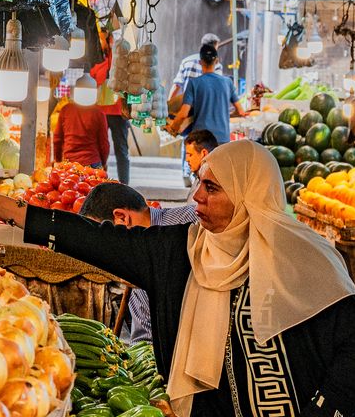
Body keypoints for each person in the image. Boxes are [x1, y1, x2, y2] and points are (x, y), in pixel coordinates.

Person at [0, 140, 355, 417]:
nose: (196, 196)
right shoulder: (185, 250)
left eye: (212, 188)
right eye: (199, 183)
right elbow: (94, 239)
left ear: (249, 194)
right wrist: (3, 207)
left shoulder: (303, 259)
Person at [79, 183, 198, 344]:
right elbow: (144, 341)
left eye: (102, 242)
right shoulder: (136, 282)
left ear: (122, 218)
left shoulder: (195, 221)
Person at [170, 33, 223, 186]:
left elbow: (177, 85)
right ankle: (199, 175)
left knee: (188, 141)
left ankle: (187, 171)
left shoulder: (186, 61)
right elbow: (216, 88)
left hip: (186, 108)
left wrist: (169, 108)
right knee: (200, 143)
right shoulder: (217, 65)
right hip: (205, 110)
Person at [167, 45, 245, 147]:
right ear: (216, 61)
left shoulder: (194, 83)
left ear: (200, 62)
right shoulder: (227, 82)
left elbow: (183, 114)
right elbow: (241, 111)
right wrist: (224, 116)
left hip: (201, 140)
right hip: (223, 139)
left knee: (201, 163)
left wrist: (173, 128)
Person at [90, 34, 131, 184]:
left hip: (114, 112)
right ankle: (105, 182)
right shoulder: (101, 64)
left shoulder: (114, 63)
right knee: (110, 149)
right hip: (106, 112)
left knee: (117, 150)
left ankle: (120, 185)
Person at [53, 99, 110, 169]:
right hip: (92, 162)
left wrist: (58, 160)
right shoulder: (98, 112)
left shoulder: (65, 110)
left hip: (69, 163)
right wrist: (104, 163)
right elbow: (104, 143)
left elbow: (57, 138)